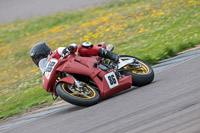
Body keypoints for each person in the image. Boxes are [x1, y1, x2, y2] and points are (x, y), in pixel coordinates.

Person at [30, 42, 119, 74]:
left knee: (82, 48)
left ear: (45, 53)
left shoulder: (57, 52)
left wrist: (69, 49)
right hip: (79, 72)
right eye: (36, 59)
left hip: (82, 62)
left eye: (39, 57)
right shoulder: (46, 71)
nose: (38, 60)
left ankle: (111, 55)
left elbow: (73, 45)